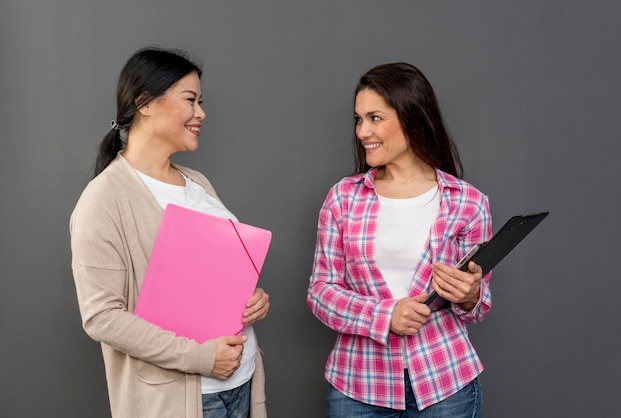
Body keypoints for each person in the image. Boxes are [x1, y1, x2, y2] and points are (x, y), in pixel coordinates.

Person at [70, 47, 269, 418]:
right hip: (182, 401)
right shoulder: (104, 199)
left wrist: (251, 298)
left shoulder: (198, 183)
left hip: (241, 383)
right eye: (190, 100)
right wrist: (201, 357)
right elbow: (101, 317)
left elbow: (214, 275)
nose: (201, 113)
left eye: (201, 101)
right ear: (145, 102)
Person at [306, 62, 493, 417]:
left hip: (445, 383)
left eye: (375, 118)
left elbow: (480, 307)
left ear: (412, 116)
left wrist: (470, 295)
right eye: (359, 119)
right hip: (358, 386)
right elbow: (321, 292)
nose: (363, 131)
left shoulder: (468, 202)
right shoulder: (343, 198)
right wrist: (385, 314)